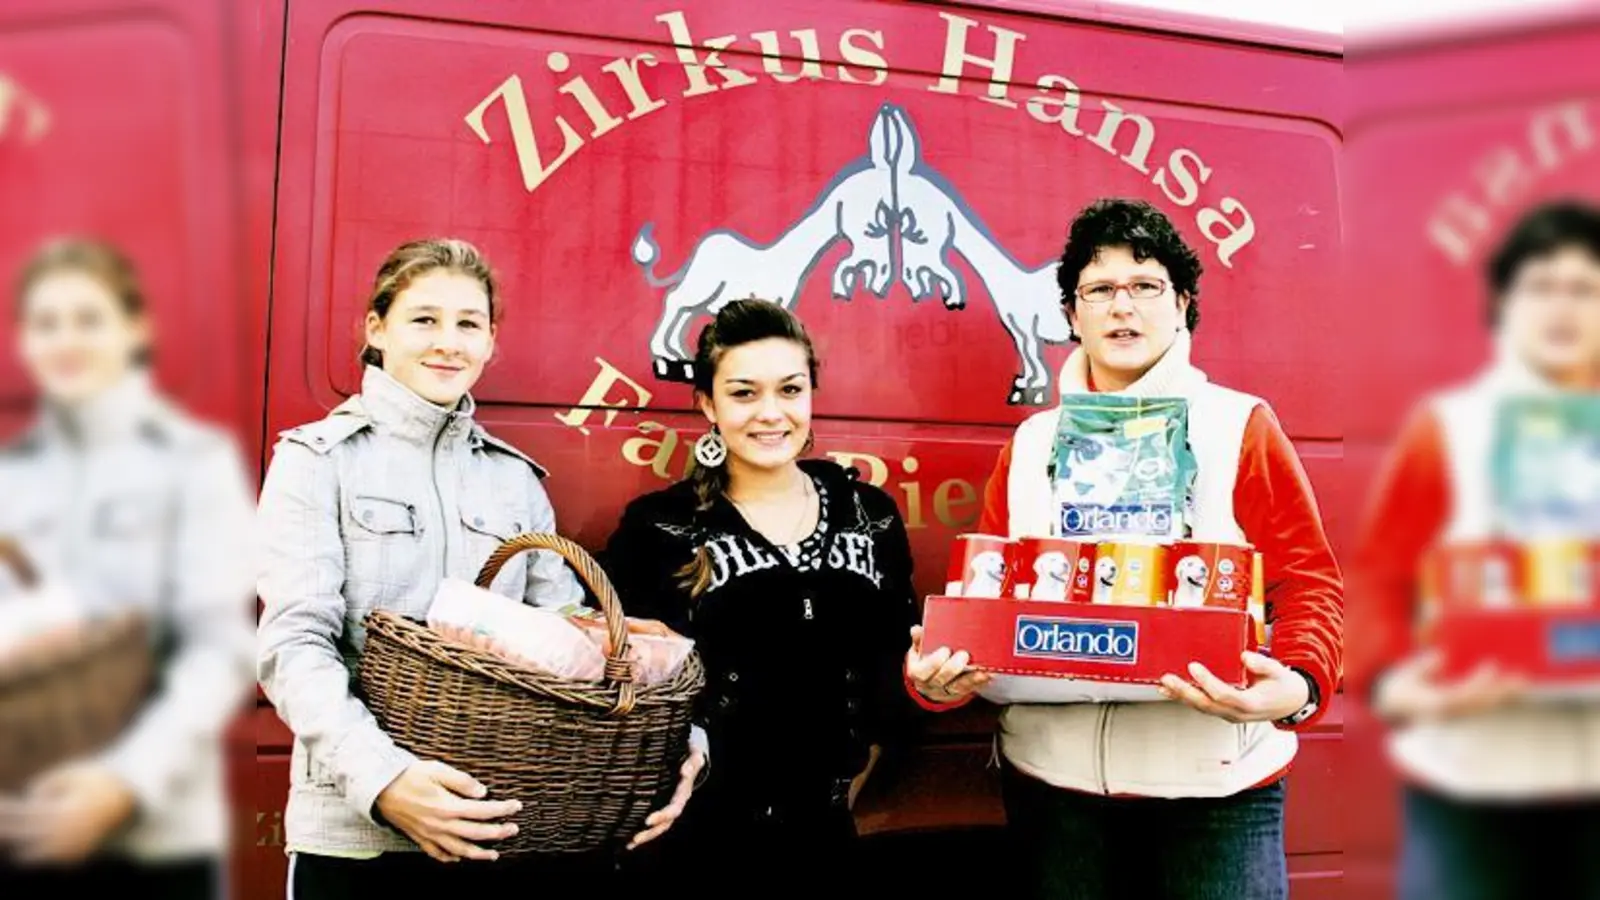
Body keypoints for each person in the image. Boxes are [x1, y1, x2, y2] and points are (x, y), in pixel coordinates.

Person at [906, 198, 1344, 899]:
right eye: (1100, 290)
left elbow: (1309, 582)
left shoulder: (1241, 425)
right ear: (1072, 313)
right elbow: (986, 599)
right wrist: (935, 679)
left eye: (1145, 286)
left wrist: (1296, 688)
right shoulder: (1030, 445)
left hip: (1215, 792)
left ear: (1182, 305)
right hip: (1055, 793)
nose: (1122, 307)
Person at [255, 238, 698, 896]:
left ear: (491, 341)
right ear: (377, 330)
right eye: (423, 319)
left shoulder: (513, 481)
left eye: (468, 324)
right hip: (360, 839)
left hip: (501, 830)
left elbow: (575, 651)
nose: (448, 342)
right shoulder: (320, 461)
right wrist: (386, 781)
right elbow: (294, 645)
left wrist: (675, 743)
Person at [599, 298, 918, 895]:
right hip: (692, 846)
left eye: (790, 390)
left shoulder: (867, 515)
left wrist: (854, 775)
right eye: (744, 393)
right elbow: (621, 685)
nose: (771, 414)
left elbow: (891, 668)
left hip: (826, 840)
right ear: (708, 405)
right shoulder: (659, 528)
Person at [1345, 199, 1600, 898]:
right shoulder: (1449, 428)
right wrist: (1394, 682)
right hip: (1468, 783)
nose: (1562, 307)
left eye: (1584, 288)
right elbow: (1379, 578)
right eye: (1540, 286)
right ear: (1505, 304)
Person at [0, 238, 257, 899]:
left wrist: (122, 783)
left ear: (135, 329)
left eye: (89, 319)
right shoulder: (10, 478)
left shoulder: (194, 463)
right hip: (19, 824)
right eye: (47, 323)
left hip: (154, 835)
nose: (66, 340)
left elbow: (220, 650)